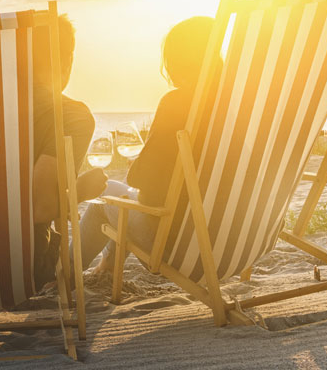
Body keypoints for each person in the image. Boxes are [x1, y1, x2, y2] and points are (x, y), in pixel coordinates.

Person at [74, 16, 220, 273]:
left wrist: (139, 166)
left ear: (176, 61)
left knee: (105, 200)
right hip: (232, 238)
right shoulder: (243, 106)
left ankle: (64, 275)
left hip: (182, 247)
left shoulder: (178, 103)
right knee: (116, 190)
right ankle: (107, 267)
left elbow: (145, 186)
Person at [30, 15, 107, 289]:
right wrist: (81, 191)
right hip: (23, 266)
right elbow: (41, 208)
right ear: (68, 61)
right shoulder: (70, 115)